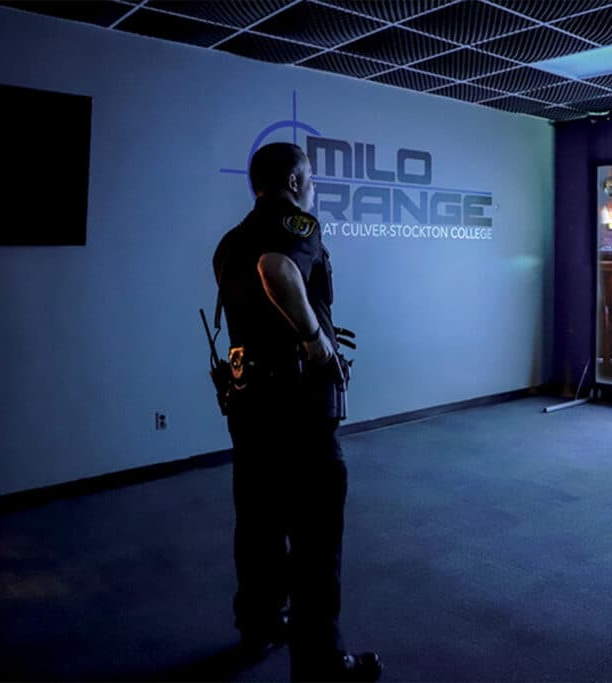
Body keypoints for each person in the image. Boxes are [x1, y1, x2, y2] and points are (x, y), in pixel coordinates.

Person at [212, 142, 381, 682]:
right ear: (291, 181)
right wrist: (315, 341)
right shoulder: (298, 226)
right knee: (315, 534)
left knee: (258, 521)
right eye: (310, 178)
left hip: (249, 405)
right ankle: (322, 663)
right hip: (299, 408)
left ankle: (260, 623)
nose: (314, 187)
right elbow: (277, 269)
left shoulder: (229, 242)